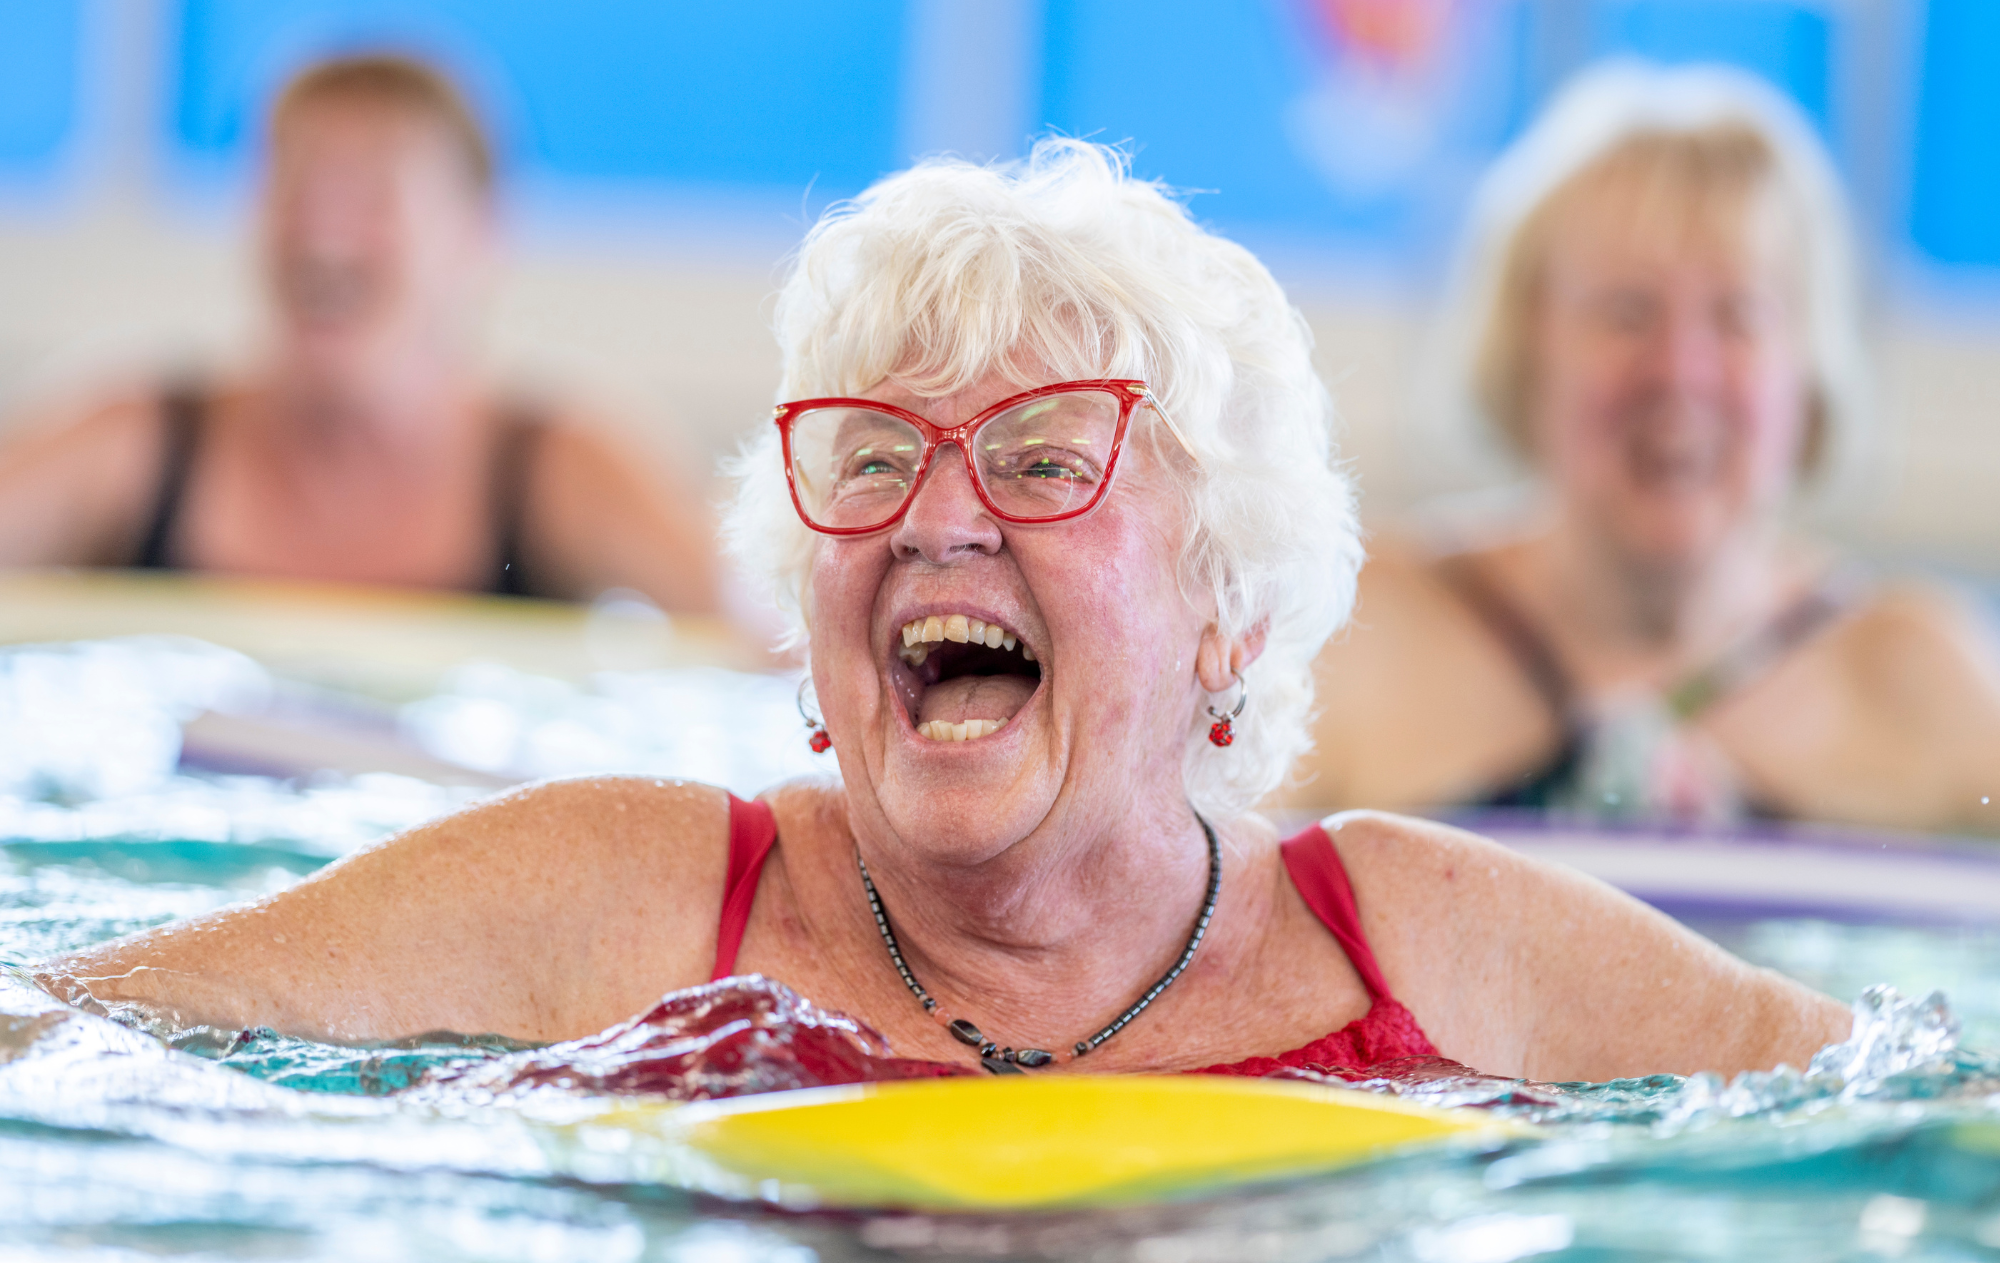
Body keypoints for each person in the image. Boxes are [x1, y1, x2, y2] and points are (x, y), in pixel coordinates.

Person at [36, 141, 1847, 1084]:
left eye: (1048, 457)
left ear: (1229, 605)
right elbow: (69, 1040)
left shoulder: (1438, 945)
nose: (937, 514)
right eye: (875, 454)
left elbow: (1901, 1111)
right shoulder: (618, 903)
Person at [1297, 63, 2000, 831]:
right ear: (1526, 349)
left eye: (1737, 316)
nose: (1679, 370)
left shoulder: (1921, 682)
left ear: (1807, 369)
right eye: (1626, 311)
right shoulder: (1357, 639)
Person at [0, 54, 719, 612]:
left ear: (475, 233)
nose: (325, 231)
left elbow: (770, 641)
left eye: (374, 192)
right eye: (298, 186)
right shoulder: (136, 439)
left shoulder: (561, 462)